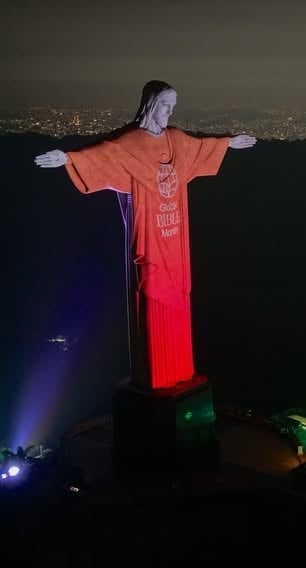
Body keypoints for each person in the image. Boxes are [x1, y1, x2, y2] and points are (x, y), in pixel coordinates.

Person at [34, 80, 256, 390]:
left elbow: (200, 147)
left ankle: (179, 372)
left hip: (175, 240)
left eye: (173, 107)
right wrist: (68, 159)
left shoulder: (177, 140)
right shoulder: (129, 144)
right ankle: (155, 375)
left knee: (179, 302)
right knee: (150, 304)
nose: (170, 112)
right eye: (166, 105)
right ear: (151, 105)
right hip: (150, 240)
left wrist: (229, 143)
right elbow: (102, 156)